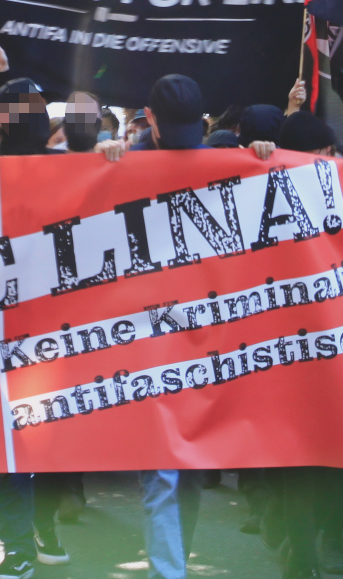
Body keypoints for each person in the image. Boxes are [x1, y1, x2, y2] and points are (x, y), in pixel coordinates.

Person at [91, 68, 211, 579]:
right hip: (151, 338)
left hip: (206, 338)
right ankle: (170, 571)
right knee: (163, 471)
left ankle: (174, 560)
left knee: (191, 473)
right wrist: (97, 166)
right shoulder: (123, 165)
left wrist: (269, 148)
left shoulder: (224, 158)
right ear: (152, 120)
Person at [255, 111, 343, 578]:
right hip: (288, 351)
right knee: (298, 457)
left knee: (341, 454)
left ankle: (329, 534)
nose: (328, 161)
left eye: (330, 153)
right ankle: (302, 554)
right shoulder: (263, 190)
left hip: (342, 349)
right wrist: (252, 159)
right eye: (318, 155)